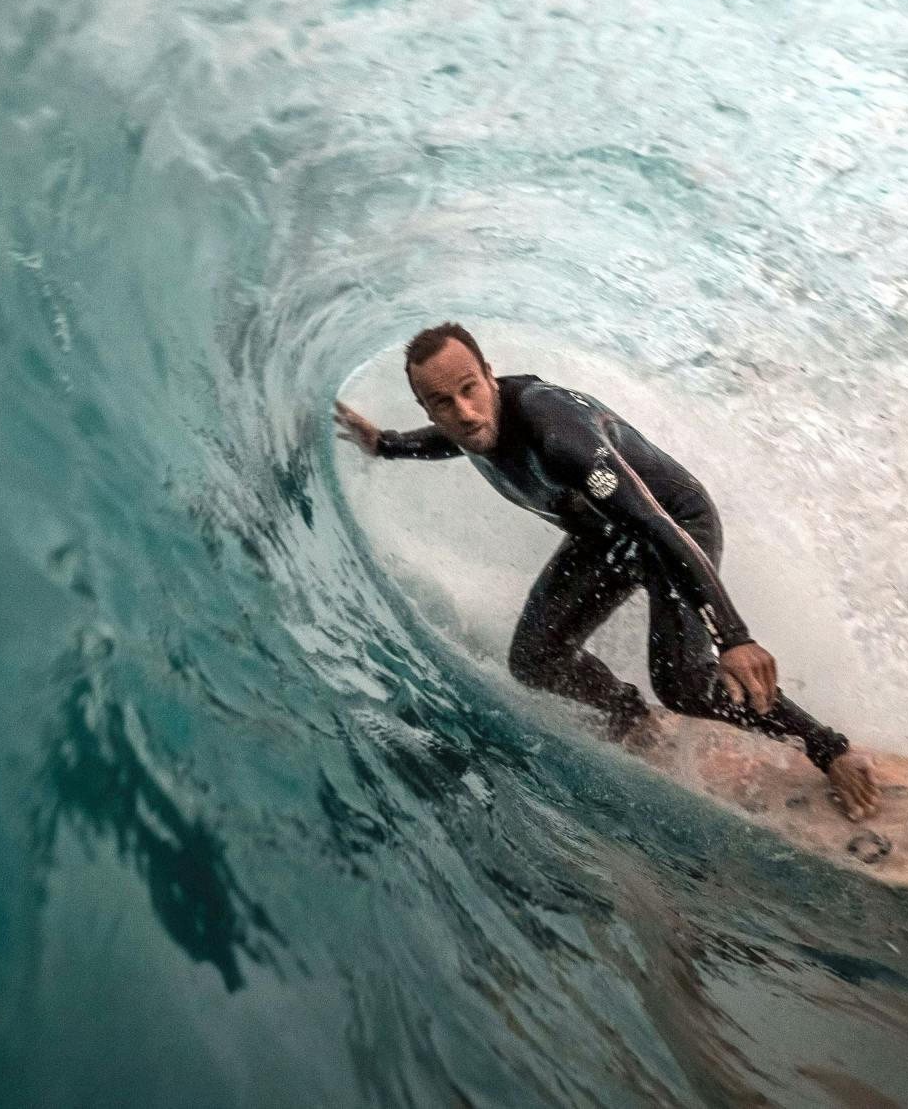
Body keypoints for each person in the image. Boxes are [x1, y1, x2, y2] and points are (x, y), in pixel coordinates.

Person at [334, 322, 879, 821]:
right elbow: (454, 437)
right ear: (428, 409)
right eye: (442, 402)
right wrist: (385, 445)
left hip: (672, 524)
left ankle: (827, 748)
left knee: (684, 685)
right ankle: (627, 714)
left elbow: (655, 526)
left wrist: (733, 637)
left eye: (470, 389)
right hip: (605, 538)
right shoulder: (465, 425)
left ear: (490, 376)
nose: (464, 412)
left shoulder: (557, 437)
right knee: (534, 660)